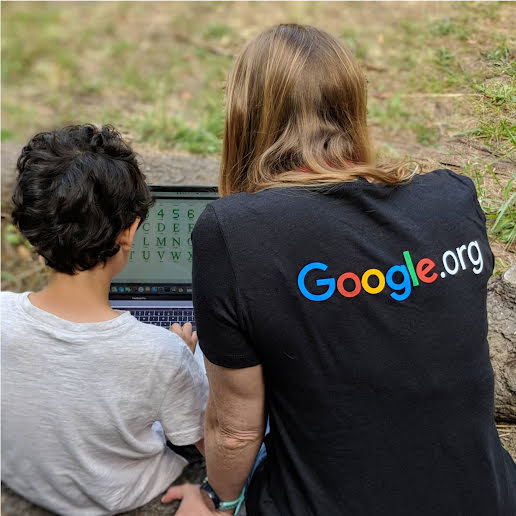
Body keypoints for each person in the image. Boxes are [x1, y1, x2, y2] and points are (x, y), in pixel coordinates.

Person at [162, 24, 516, 516]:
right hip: (486, 497)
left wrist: (218, 501)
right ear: (352, 108)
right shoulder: (453, 197)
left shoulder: (234, 230)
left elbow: (237, 429)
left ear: (245, 117)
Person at [1, 124, 208, 515]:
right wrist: (181, 359)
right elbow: (206, 441)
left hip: (24, 478)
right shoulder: (161, 353)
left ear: (33, 230)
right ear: (129, 233)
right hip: (124, 494)